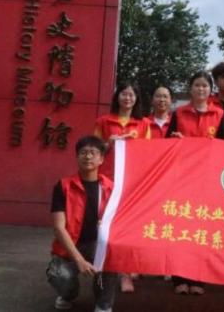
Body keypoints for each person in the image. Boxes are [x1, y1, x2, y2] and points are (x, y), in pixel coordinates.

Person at [165, 71, 224, 295]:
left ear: (211, 90)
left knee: (203, 228)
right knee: (181, 226)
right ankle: (178, 277)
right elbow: (167, 144)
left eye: (205, 86)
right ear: (190, 89)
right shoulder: (179, 113)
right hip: (182, 178)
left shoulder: (219, 114)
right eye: (197, 85)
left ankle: (199, 278)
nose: (201, 89)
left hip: (208, 179)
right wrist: (177, 142)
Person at [47, 136, 118, 312]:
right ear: (77, 157)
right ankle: (68, 295)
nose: (88, 156)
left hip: (97, 245)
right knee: (60, 276)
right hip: (70, 245)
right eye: (83, 152)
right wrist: (79, 260)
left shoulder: (111, 188)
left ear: (101, 159)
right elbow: (58, 227)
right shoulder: (63, 186)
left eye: (93, 153)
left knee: (111, 263)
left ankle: (103, 304)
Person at [93, 82, 146, 293]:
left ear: (136, 99)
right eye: (124, 94)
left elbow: (149, 152)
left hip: (132, 182)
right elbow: (94, 150)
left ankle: (126, 273)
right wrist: (108, 143)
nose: (127, 98)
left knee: (128, 227)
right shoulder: (103, 121)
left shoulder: (144, 124)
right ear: (117, 97)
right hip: (107, 180)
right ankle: (104, 268)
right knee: (106, 225)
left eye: (131, 95)